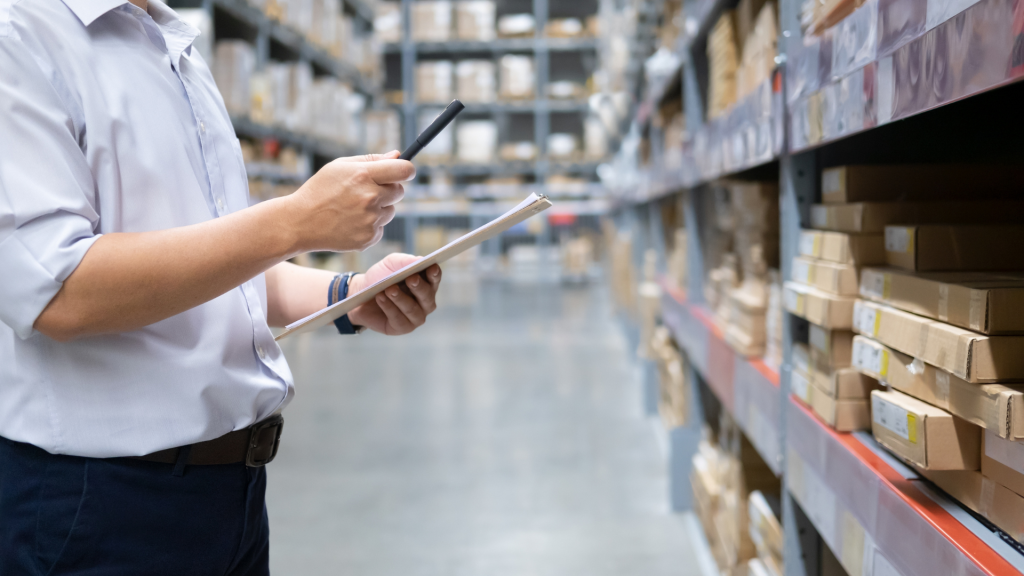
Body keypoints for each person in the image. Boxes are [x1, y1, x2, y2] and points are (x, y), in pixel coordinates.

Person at [0, 1, 441, 574]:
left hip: (229, 495)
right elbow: (58, 291)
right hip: (99, 505)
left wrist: (352, 294)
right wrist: (295, 221)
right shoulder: (20, 35)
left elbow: (224, 269)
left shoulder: (171, 45)